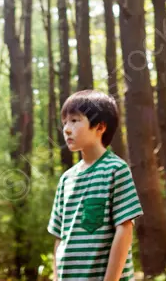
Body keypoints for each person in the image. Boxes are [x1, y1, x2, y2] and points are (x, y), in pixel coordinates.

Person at [48, 89, 143, 281]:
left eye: (75, 120)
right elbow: (59, 236)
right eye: (65, 122)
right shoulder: (67, 179)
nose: (66, 129)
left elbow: (124, 229)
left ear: (100, 127)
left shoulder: (116, 170)